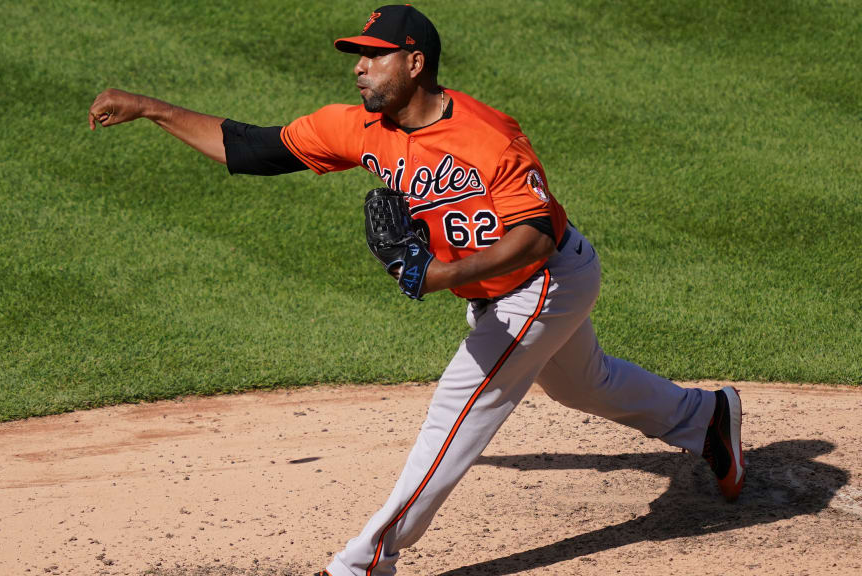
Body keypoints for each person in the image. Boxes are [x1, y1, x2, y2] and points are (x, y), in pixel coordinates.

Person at [87, 5, 746, 576]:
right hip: (505, 289)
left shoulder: (489, 136)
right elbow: (252, 149)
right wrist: (150, 108)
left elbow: (536, 235)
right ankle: (704, 417)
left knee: (457, 410)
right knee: (582, 383)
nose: (358, 67)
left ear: (414, 63)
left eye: (373, 57)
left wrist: (442, 275)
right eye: (358, 57)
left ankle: (366, 560)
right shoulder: (360, 128)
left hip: (546, 282)